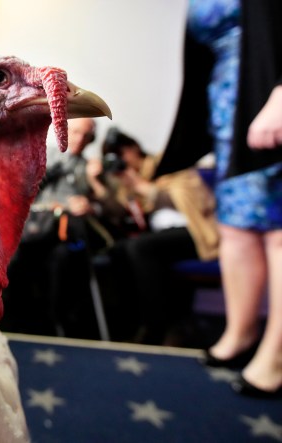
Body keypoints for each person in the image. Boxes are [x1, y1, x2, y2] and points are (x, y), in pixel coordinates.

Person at [155, 0, 282, 397]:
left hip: (269, 99)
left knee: (278, 232)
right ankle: (240, 334)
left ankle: (276, 355)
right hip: (229, 110)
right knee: (235, 229)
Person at [94, 128, 220, 346]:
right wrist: (98, 183)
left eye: (120, 153)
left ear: (134, 149)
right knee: (119, 250)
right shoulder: (127, 181)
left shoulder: (166, 163)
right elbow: (120, 213)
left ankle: (155, 327)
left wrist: (140, 186)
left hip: (194, 230)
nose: (120, 160)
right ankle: (130, 322)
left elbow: (193, 201)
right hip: (161, 236)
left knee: (140, 248)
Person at [2, 118, 114, 338]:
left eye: (85, 135)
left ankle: (54, 325)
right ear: (63, 131)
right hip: (33, 229)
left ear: (91, 139)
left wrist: (90, 202)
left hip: (66, 234)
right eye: (75, 132)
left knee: (62, 259)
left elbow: (109, 207)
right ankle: (10, 323)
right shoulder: (41, 155)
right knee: (14, 257)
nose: (79, 139)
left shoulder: (91, 167)